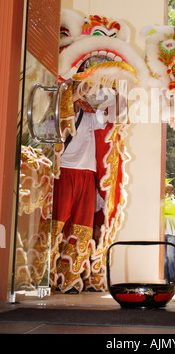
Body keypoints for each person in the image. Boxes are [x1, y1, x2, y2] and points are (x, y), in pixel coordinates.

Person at [50, 82, 107, 294]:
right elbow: (51, 120)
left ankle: (70, 278)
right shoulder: (55, 104)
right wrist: (73, 96)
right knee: (55, 226)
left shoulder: (91, 111)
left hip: (87, 172)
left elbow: (115, 118)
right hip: (63, 170)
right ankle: (45, 275)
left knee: (82, 228)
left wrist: (120, 89)